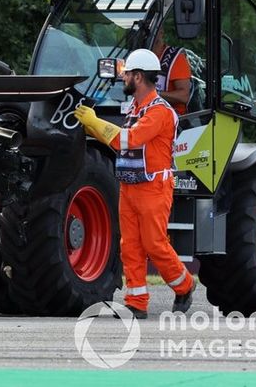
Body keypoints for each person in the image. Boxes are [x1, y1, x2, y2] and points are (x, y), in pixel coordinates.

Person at [74, 48, 195, 319]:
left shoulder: (160, 112)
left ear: (138, 77)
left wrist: (94, 123)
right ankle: (136, 302)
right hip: (129, 186)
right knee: (129, 245)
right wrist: (90, 125)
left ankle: (185, 285)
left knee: (154, 243)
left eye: (127, 73)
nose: (123, 77)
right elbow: (117, 138)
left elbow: (128, 140)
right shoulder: (135, 107)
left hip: (154, 187)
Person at [151, 26, 192, 115]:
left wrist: (154, 94)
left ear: (161, 32)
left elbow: (184, 96)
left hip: (173, 119)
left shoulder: (176, 58)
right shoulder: (137, 57)